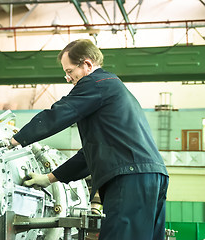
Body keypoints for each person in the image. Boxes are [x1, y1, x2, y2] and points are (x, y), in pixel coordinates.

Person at [10, 39, 169, 240]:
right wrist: (49, 178)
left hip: (129, 178)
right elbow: (91, 153)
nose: (67, 78)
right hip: (153, 176)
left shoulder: (96, 84)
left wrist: (15, 140)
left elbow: (58, 114)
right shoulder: (112, 90)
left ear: (87, 64)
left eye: (69, 71)